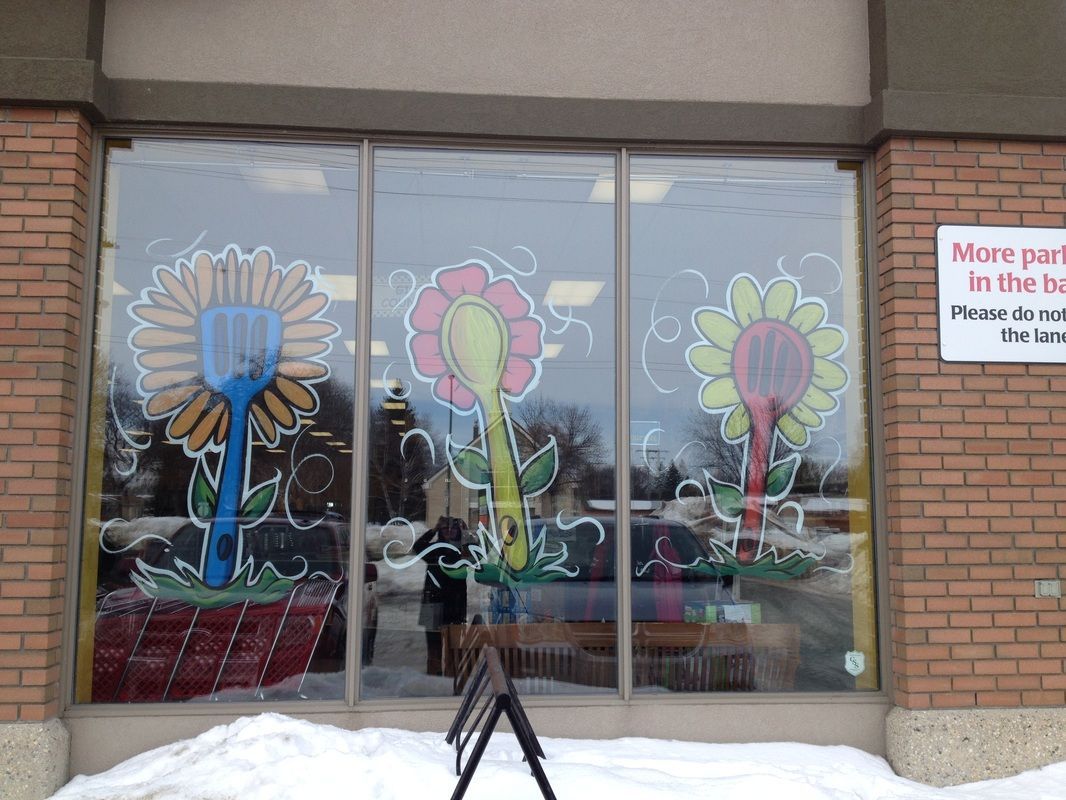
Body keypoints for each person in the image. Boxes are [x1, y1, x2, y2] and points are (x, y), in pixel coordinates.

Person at [415, 517, 468, 675]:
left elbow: (478, 552)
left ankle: (452, 681)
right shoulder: (435, 549)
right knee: (434, 651)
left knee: (455, 650)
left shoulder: (462, 550)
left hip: (455, 604)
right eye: (445, 528)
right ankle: (434, 680)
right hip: (433, 601)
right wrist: (433, 530)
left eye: (453, 528)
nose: (449, 531)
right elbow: (417, 547)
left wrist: (466, 533)